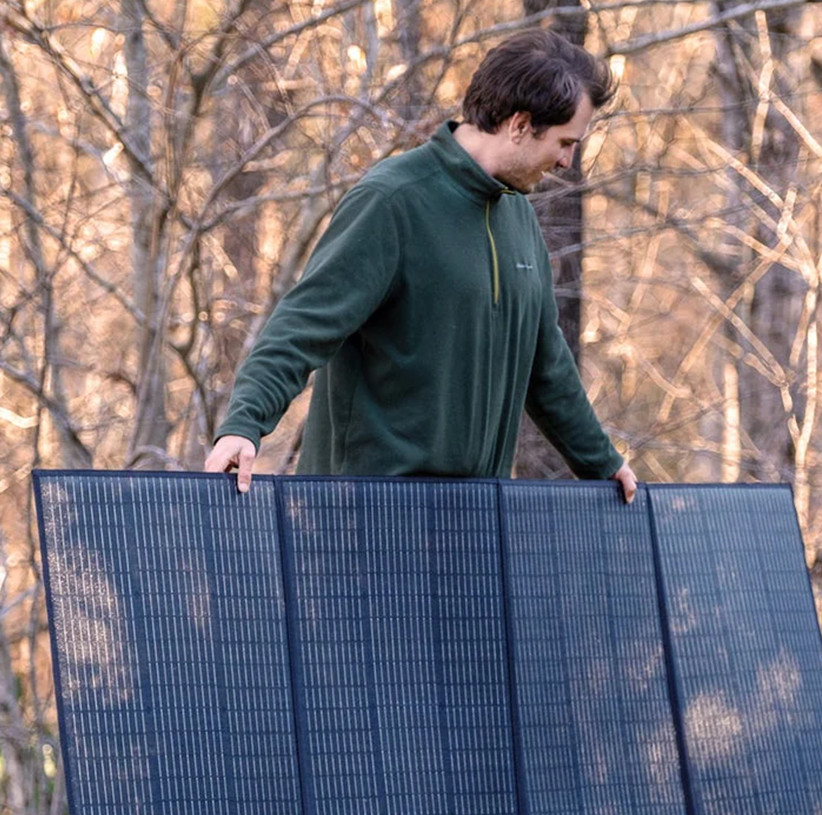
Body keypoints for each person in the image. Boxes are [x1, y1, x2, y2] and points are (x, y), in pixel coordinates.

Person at [205, 28, 637, 503]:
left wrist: (603, 463)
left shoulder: (518, 217)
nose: (567, 161)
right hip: (361, 522)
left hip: (473, 522)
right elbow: (300, 328)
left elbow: (546, 367)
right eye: (564, 142)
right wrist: (244, 425)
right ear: (519, 124)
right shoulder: (392, 201)